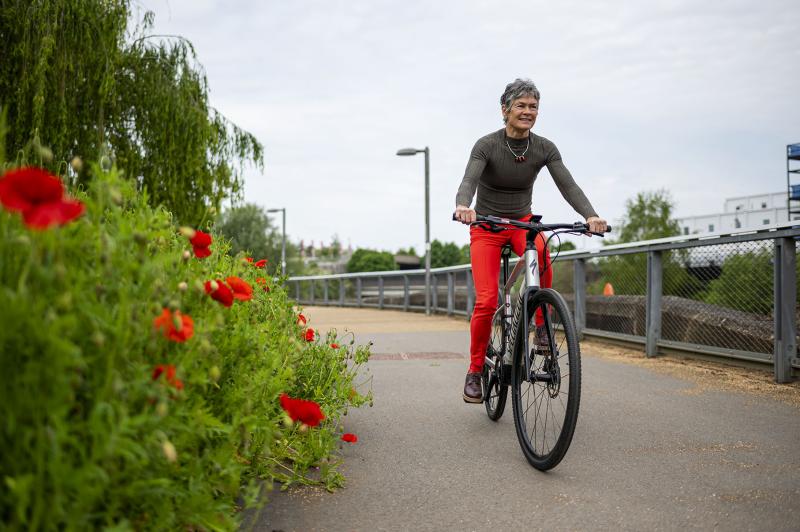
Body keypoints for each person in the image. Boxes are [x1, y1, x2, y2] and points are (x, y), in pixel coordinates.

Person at [454, 78, 607, 403]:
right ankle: (475, 369)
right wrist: (463, 207)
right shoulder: (487, 145)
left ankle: (540, 327)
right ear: (505, 110)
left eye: (533, 106)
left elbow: (568, 185)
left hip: (522, 223)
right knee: (486, 300)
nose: (528, 112)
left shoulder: (544, 148)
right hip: (487, 225)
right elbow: (469, 179)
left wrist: (591, 215)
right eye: (521, 106)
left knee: (542, 249)